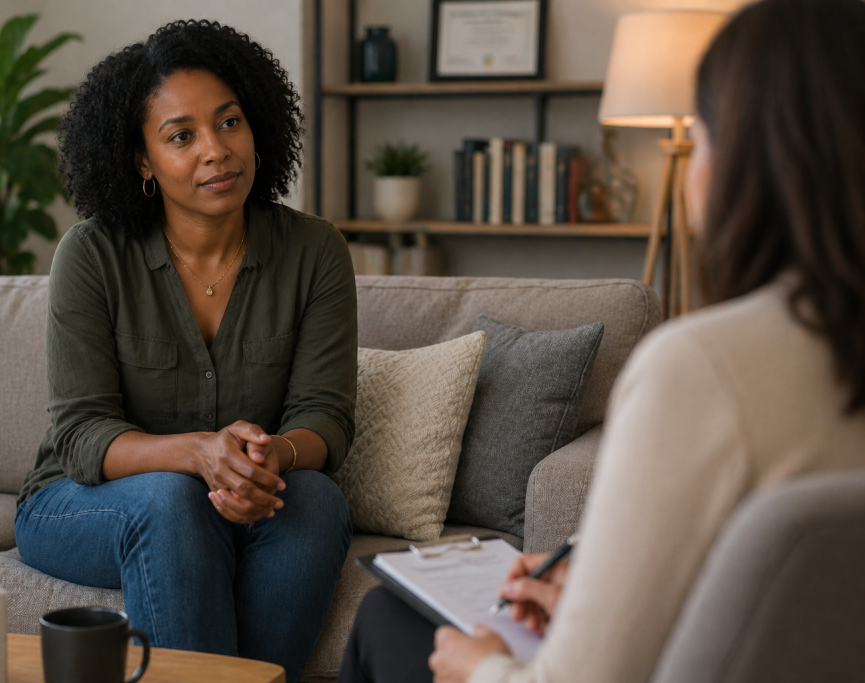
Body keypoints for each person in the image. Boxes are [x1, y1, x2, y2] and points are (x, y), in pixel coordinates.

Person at [337, 1, 865, 681]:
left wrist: (482, 667)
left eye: (702, 134)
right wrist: (598, 593)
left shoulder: (702, 368)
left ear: (742, 162)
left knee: (388, 617)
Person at [13, 20, 356, 683]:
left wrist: (270, 459)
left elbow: (326, 416)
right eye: (181, 136)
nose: (216, 151)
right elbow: (82, 435)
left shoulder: (315, 251)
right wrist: (200, 453)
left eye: (229, 123)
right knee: (172, 500)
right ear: (142, 160)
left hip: (240, 497)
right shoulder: (91, 255)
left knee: (314, 498)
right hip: (83, 500)